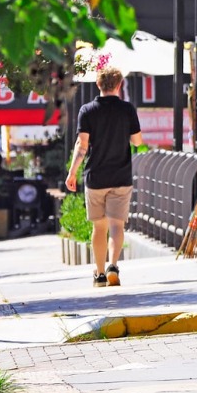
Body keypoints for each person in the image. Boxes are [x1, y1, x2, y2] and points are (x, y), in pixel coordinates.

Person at [65, 65, 144, 288]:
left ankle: (99, 274)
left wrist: (72, 173)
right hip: (121, 177)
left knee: (99, 227)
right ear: (119, 85)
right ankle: (113, 266)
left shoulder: (87, 111)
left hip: (96, 177)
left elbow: (82, 145)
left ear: (98, 85)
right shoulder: (127, 109)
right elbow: (137, 141)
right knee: (117, 225)